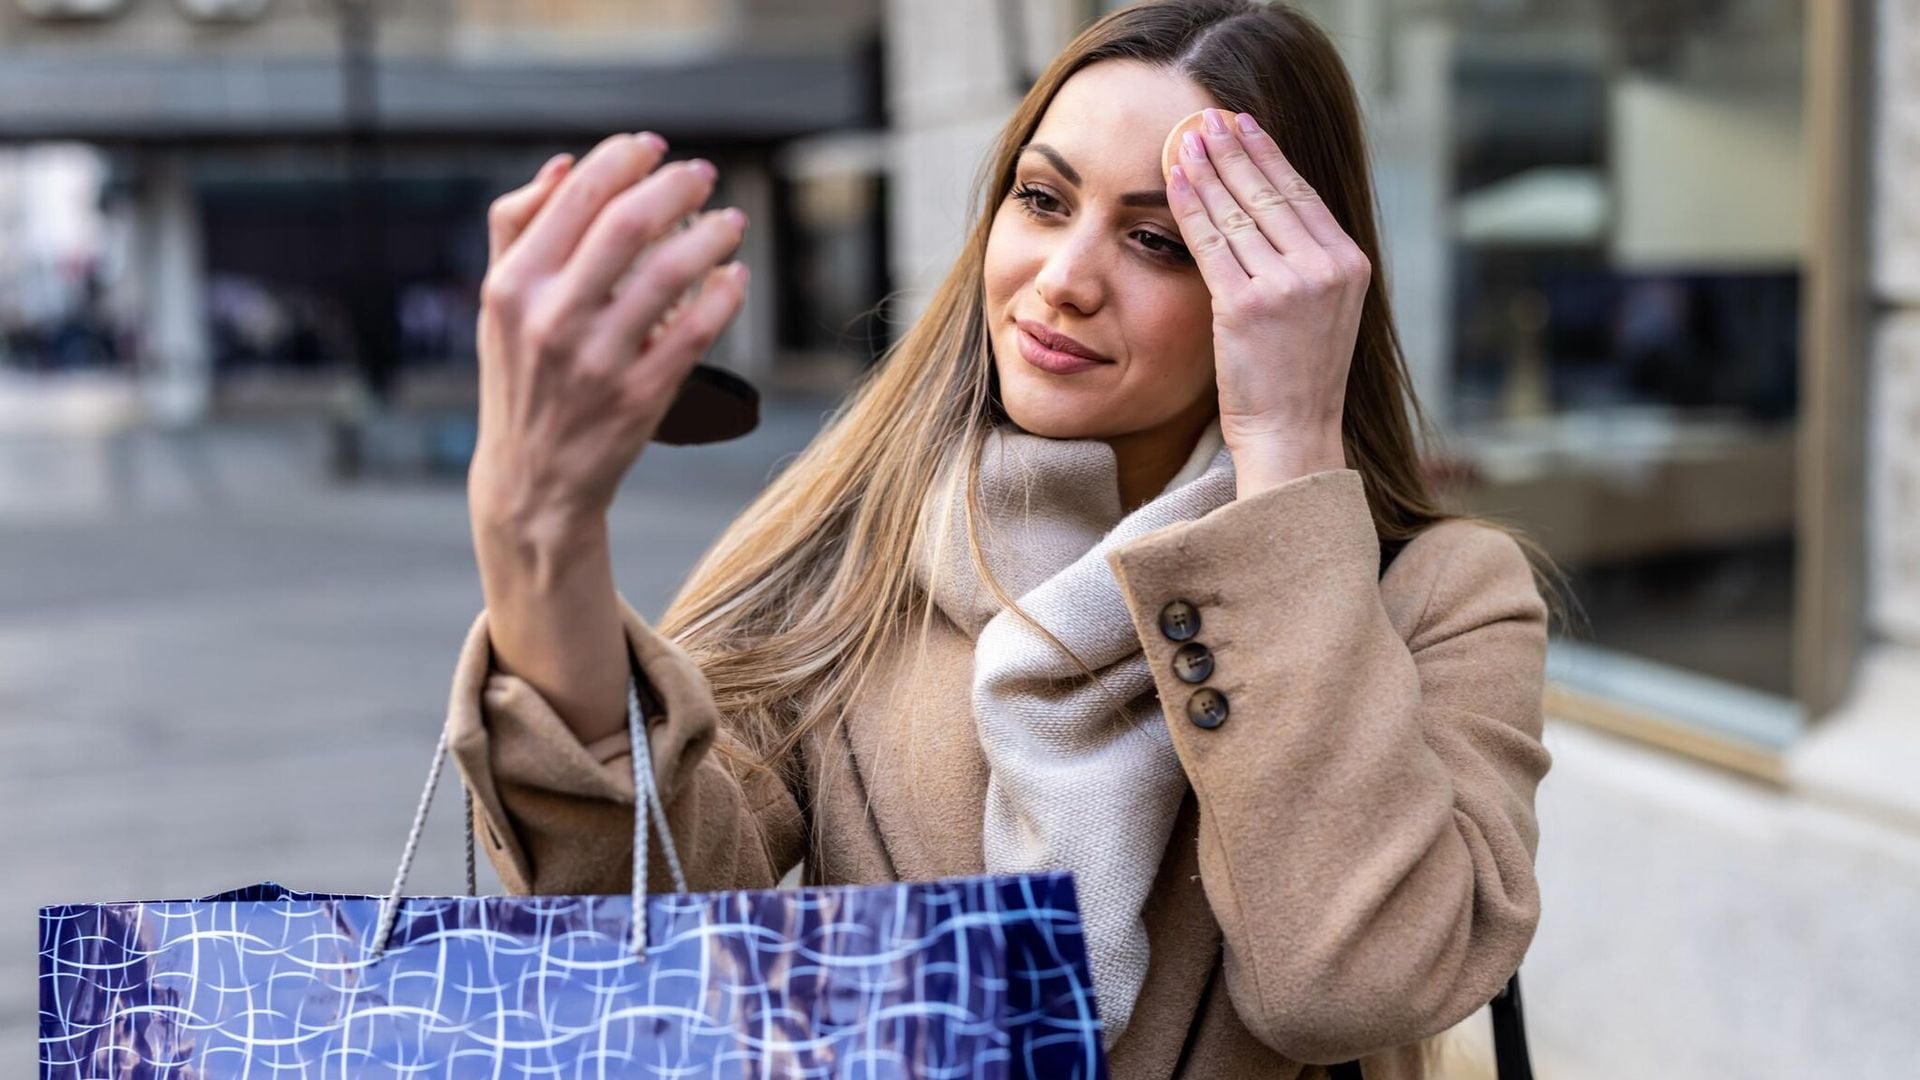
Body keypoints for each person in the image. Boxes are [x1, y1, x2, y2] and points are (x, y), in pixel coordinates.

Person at [445, 2, 1556, 1076]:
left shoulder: (1438, 593)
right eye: (1041, 199)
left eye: (1160, 240)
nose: (1064, 280)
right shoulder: (863, 541)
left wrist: (1288, 450)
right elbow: (643, 908)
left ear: (1286, 284)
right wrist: (535, 541)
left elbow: (1347, 987)